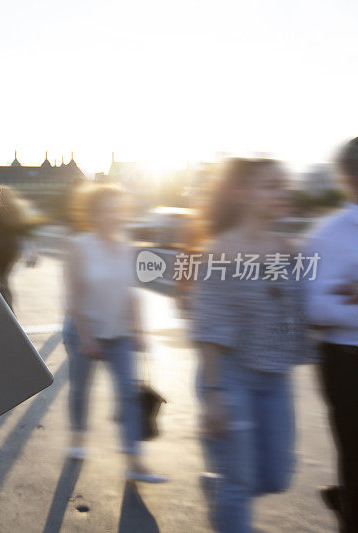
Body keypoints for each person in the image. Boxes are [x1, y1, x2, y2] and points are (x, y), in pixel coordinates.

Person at [191, 158, 314, 532]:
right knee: (240, 483)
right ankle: (228, 490)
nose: (283, 193)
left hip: (275, 377)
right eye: (271, 186)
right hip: (230, 374)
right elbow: (208, 327)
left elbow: (308, 311)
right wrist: (214, 395)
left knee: (277, 476)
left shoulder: (291, 252)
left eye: (284, 185)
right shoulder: (221, 251)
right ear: (243, 194)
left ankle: (221, 486)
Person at [62, 183, 166, 483]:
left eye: (119, 209)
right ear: (93, 213)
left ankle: (135, 462)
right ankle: (78, 439)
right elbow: (74, 296)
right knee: (81, 390)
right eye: (108, 209)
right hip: (84, 331)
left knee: (129, 395)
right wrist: (86, 336)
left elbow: (131, 293)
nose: (114, 215)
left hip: (119, 332)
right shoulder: (79, 245)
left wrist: (139, 330)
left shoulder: (125, 246)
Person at [305, 137, 358, 533]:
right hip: (346, 362)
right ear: (347, 180)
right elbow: (316, 308)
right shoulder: (329, 235)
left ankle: (344, 498)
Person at [0, 185, 36, 311]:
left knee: (1, 280)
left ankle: (7, 310)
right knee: (4, 279)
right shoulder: (17, 209)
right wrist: (31, 254)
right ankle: (7, 308)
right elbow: (25, 232)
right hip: (12, 250)